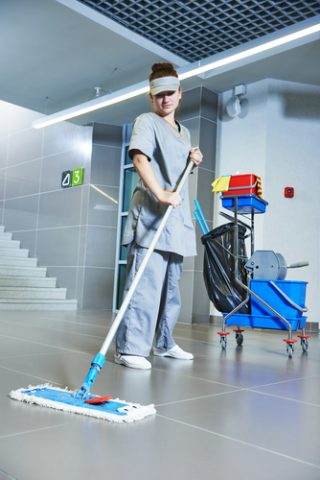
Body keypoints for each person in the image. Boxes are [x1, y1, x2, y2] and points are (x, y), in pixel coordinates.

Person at [114, 62, 203, 370]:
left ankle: (164, 342)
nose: (165, 100)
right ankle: (130, 348)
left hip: (176, 223)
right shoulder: (146, 121)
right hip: (153, 217)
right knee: (146, 285)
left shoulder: (185, 131)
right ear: (151, 98)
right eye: (159, 95)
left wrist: (193, 160)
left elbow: (177, 170)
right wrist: (161, 194)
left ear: (180, 94)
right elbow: (140, 157)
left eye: (171, 94)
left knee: (171, 289)